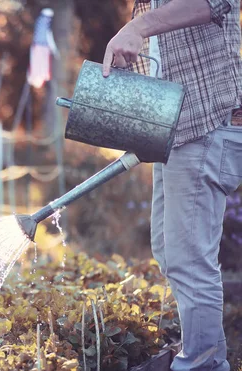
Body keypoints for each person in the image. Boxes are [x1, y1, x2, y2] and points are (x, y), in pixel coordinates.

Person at [102, 0, 242, 370]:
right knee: (170, 251)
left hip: (207, 122)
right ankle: (200, 349)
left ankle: (203, 364)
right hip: (177, 131)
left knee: (189, 259)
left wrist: (137, 27)